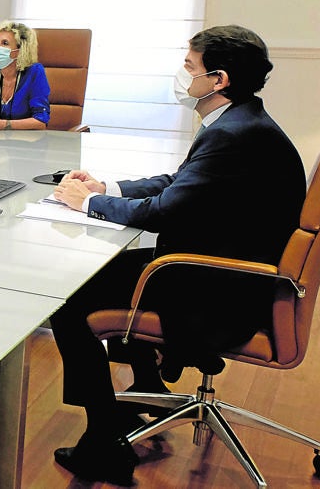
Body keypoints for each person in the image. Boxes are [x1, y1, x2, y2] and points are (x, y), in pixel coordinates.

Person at [46, 24, 305, 485]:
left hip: (220, 288)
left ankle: (104, 444)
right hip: (228, 268)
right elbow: (181, 183)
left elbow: (166, 210)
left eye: (189, 67)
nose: (182, 77)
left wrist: (84, 203)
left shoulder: (234, 134)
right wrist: (107, 188)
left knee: (70, 302)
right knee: (107, 272)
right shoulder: (240, 122)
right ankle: (145, 389)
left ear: (218, 79)